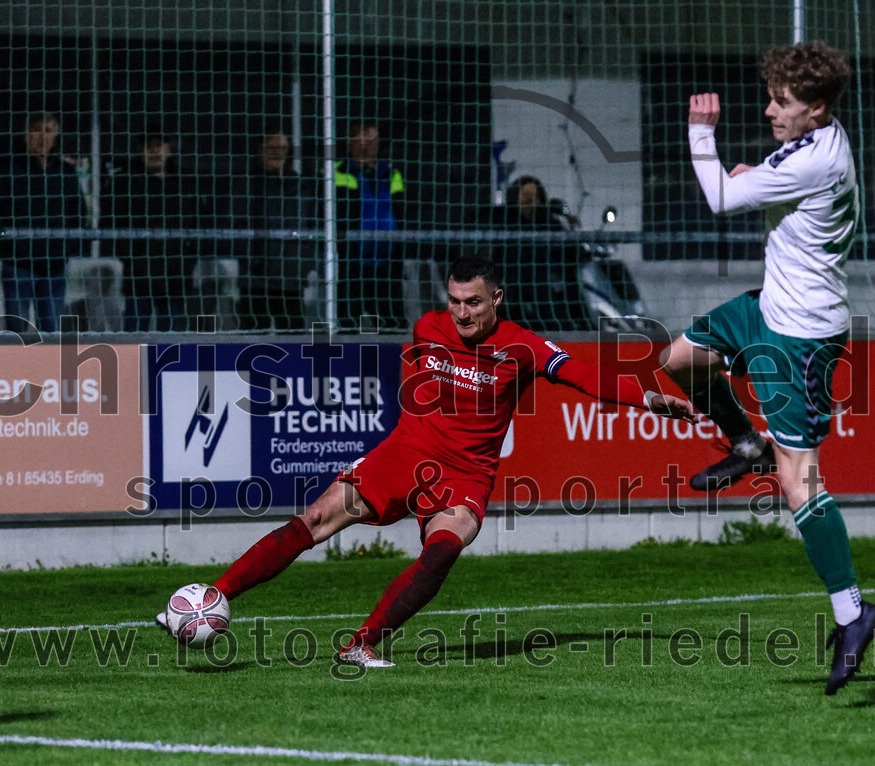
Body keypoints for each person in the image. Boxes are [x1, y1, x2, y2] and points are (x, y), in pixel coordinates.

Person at [159, 254, 696, 667]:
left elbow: (583, 376)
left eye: (474, 303)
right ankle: (211, 596)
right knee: (314, 519)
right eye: (456, 301)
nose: (462, 313)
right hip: (405, 455)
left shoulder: (524, 347)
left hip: (466, 474)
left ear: (497, 299)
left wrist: (647, 397)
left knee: (442, 551)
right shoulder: (428, 328)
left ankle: (361, 646)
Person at [658, 40, 875, 695]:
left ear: (815, 109)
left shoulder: (815, 159)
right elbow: (769, 175)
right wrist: (759, 168)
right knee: (680, 359)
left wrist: (701, 135)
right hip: (769, 307)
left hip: (800, 337)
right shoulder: (823, 140)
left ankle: (853, 612)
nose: (768, 110)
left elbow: (720, 197)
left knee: (799, 480)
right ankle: (744, 439)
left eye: (782, 103)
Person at [0, 112, 85, 332]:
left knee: (51, 331)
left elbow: (78, 214)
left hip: (55, 266)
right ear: (26, 134)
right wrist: (4, 243)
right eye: (36, 130)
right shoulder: (8, 169)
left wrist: (64, 249)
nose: (42, 137)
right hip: (18, 265)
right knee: (17, 331)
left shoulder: (65, 172)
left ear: (56, 136)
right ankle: (16, 368)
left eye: (48, 131)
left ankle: (48, 368)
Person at [103, 132, 202, 332]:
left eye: (160, 145)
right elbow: (110, 220)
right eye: (150, 146)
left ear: (169, 149)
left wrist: (190, 254)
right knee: (134, 337)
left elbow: (200, 221)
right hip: (139, 274)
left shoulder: (185, 182)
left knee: (173, 340)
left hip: (176, 274)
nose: (155, 150)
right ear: (142, 150)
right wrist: (128, 255)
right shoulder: (126, 182)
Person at [231, 128, 319, 331]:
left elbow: (310, 225)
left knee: (292, 332)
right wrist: (253, 260)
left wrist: (305, 263)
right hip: (256, 278)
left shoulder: (300, 185)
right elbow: (238, 225)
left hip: (291, 276)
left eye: (283, 148)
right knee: (254, 333)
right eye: (271, 147)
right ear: (261, 149)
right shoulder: (248, 183)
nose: (277, 152)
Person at [493, 176, 589, 333]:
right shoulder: (506, 221)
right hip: (516, 279)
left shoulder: (548, 221)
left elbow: (566, 247)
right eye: (525, 195)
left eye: (534, 195)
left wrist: (577, 248)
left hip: (546, 279)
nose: (530, 199)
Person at [335, 121, 406, 331]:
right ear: (350, 143)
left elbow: (401, 213)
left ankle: (394, 361)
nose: (365, 146)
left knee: (390, 318)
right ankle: (346, 361)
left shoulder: (391, 172)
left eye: (371, 141)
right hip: (350, 257)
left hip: (386, 257)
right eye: (359, 140)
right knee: (347, 318)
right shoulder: (336, 171)